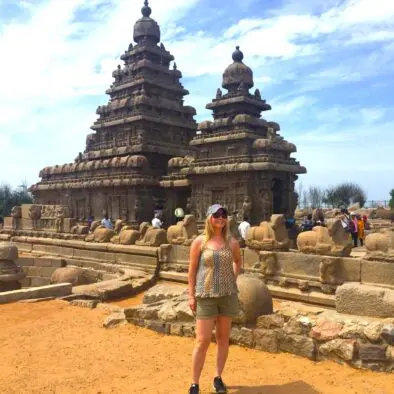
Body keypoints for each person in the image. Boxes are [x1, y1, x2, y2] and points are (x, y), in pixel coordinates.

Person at [188, 204, 241, 394]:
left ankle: (218, 377)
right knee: (202, 340)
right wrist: (191, 295)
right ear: (209, 218)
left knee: (223, 338)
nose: (220, 218)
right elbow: (192, 270)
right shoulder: (200, 242)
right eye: (217, 215)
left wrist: (232, 279)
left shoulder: (231, 242)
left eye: (224, 215)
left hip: (227, 296)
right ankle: (194, 382)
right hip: (206, 295)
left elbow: (237, 261)